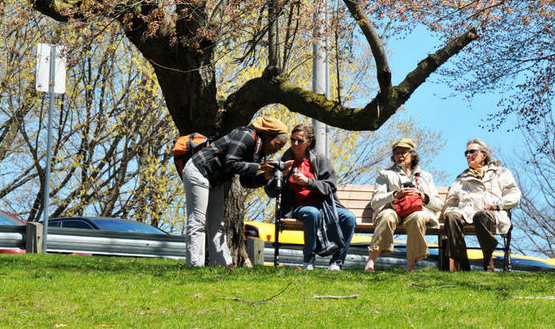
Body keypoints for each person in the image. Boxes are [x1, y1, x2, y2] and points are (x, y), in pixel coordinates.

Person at [183, 116, 288, 267]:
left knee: (217, 223)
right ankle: (194, 265)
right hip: (198, 171)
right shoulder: (246, 136)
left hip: (215, 179)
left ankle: (221, 264)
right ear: (267, 134)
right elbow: (230, 163)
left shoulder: (258, 152)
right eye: (276, 144)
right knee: (198, 221)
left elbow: (245, 182)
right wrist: (259, 167)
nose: (276, 150)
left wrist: (265, 177)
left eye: (280, 148)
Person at [265, 124, 356, 271]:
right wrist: (280, 176)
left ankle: (337, 262)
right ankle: (308, 261)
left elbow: (330, 187)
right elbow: (271, 192)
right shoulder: (284, 161)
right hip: (299, 208)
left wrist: (308, 182)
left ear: (309, 142)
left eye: (300, 140)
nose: (295, 143)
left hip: (324, 207)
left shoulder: (319, 160)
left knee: (349, 218)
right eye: (293, 139)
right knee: (312, 213)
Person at [441, 138, 521, 271]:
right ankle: (463, 266)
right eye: (466, 153)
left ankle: (488, 261)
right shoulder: (461, 179)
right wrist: (454, 211)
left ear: (484, 155)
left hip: (492, 213)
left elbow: (514, 195)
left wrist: (497, 205)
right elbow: (450, 202)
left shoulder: (500, 173)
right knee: (451, 217)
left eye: (472, 152)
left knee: (481, 216)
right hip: (466, 215)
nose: (468, 155)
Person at [364, 138, 443, 272]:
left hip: (415, 211)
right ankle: (371, 262)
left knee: (418, 217)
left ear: (412, 155)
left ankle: (410, 266)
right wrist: (394, 195)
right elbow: (375, 202)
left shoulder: (425, 176)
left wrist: (424, 197)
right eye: (396, 153)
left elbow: (439, 204)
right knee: (387, 216)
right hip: (392, 209)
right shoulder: (385, 174)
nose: (400, 156)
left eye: (403, 152)